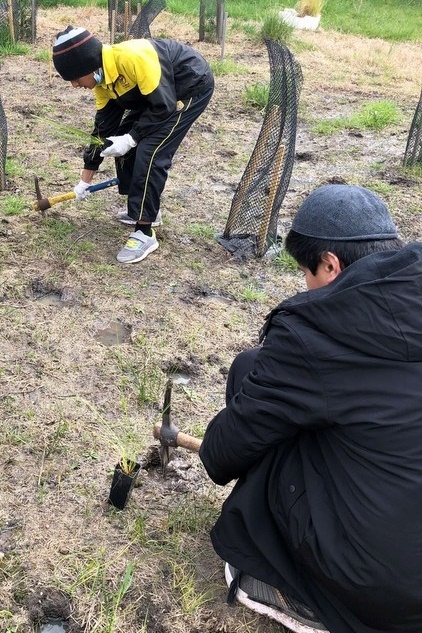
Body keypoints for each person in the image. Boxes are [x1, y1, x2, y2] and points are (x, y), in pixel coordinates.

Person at [199, 184, 422, 633]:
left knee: (254, 385)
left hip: (385, 590)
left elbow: (221, 455)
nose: (305, 284)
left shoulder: (316, 334)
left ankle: (287, 588)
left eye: (305, 271)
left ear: (330, 264)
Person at [52, 26, 214, 264]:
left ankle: (145, 231)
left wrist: (131, 139)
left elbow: (164, 107)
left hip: (189, 87)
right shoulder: (102, 83)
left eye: (75, 79)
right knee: (118, 136)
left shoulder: (134, 58)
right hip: (157, 96)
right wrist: (84, 182)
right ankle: (145, 209)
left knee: (150, 152)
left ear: (88, 66)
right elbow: (102, 131)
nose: (75, 85)